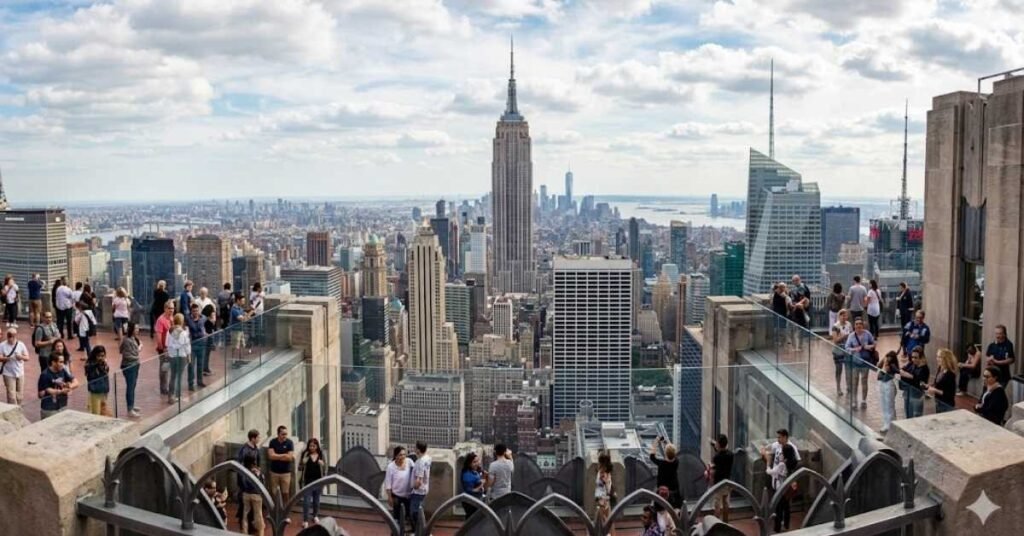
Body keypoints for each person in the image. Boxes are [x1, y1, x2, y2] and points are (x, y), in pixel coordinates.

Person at [764, 442, 799, 533]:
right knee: (786, 507)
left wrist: (768, 463)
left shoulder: (782, 465)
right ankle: (786, 525)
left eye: (782, 452)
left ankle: (777, 528)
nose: (781, 454)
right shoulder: (792, 463)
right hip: (787, 488)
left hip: (780, 489)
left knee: (778, 509)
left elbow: (770, 472)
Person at [844, 318, 876, 409]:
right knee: (855, 381)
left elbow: (874, 344)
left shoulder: (867, 334)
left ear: (863, 325)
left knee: (864, 380)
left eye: (860, 324)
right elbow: (846, 348)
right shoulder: (851, 336)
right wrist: (854, 349)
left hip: (865, 361)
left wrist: (868, 346)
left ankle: (864, 400)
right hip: (855, 362)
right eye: (856, 324)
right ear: (854, 326)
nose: (858, 326)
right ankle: (854, 401)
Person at [37, 352, 78, 418]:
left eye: (63, 362)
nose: (63, 364)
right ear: (53, 362)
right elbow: (44, 392)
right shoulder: (45, 374)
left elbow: (76, 382)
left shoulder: (63, 370)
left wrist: (69, 387)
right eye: (60, 362)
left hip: (62, 406)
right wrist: (61, 391)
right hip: (49, 409)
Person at [299, 437, 326, 529]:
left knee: (316, 500)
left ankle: (315, 515)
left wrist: (322, 464)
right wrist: (303, 462)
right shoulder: (305, 454)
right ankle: (305, 520)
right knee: (306, 501)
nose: (312, 448)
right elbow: (300, 467)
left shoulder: (321, 454)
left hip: (318, 481)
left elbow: (325, 468)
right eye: (310, 446)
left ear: (317, 446)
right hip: (307, 481)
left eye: (314, 446)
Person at [236, 429, 261, 527]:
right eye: (258, 437)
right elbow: (241, 466)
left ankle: (250, 523)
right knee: (245, 504)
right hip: (245, 481)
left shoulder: (256, 448)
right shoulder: (244, 450)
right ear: (253, 438)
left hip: (253, 478)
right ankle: (244, 523)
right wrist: (243, 483)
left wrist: (258, 470)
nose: (259, 439)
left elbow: (258, 462)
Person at [384, 445, 413, 532]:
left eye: (404, 454)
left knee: (408, 516)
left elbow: (416, 471)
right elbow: (388, 483)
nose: (403, 457)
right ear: (396, 456)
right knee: (397, 517)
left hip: (408, 495)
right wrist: (389, 497)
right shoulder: (391, 467)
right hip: (396, 496)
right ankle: (396, 532)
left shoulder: (409, 462)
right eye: (400, 455)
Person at [648, 436, 681, 509]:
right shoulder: (676, 462)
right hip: (673, 490)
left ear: (665, 453)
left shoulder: (661, 464)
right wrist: (665, 442)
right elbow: (671, 452)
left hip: (662, 491)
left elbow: (652, 456)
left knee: (658, 505)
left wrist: (656, 441)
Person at [267, 425, 295, 507]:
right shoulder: (272, 442)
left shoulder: (289, 443)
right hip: (274, 472)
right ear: (278, 434)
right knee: (274, 492)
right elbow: (271, 456)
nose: (285, 436)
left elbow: (289, 458)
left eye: (286, 434)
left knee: (285, 493)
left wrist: (277, 456)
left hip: (285, 473)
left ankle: (285, 510)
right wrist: (283, 455)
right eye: (283, 434)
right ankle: (275, 509)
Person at [166, 313, 191, 403]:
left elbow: (167, 343)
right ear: (182, 321)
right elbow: (186, 345)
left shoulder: (169, 332)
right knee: (179, 376)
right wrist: (189, 355)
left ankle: (170, 396)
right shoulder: (183, 332)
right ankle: (177, 395)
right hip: (181, 356)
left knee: (173, 376)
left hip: (172, 356)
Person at [709, 434, 734, 523]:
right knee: (725, 502)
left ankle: (717, 522)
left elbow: (714, 467)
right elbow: (723, 453)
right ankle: (726, 521)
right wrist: (715, 445)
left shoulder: (716, 457)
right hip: (727, 481)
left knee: (717, 503)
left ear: (719, 444)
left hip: (718, 482)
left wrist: (711, 466)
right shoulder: (731, 455)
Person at [1, 327, 29, 404]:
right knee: (11, 396)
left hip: (20, 372)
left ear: (15, 336)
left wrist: (21, 357)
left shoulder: (21, 345)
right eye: (9, 336)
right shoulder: (2, 345)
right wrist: (7, 358)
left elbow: (27, 357)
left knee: (20, 395)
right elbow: (0, 357)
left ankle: (18, 408)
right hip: (8, 373)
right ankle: (12, 409)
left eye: (12, 336)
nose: (10, 338)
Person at [899, 348, 930, 419]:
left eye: (916, 357)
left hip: (916, 396)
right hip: (907, 393)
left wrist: (909, 376)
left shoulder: (924, 368)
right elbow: (901, 371)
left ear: (921, 357)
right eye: (912, 357)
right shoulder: (912, 364)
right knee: (908, 415)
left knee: (916, 417)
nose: (913, 359)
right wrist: (911, 376)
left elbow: (919, 382)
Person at [119, 322, 142, 417]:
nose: (138, 330)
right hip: (129, 366)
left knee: (133, 386)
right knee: (130, 387)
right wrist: (138, 351)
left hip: (135, 365)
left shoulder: (134, 339)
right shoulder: (127, 340)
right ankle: (129, 409)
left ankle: (131, 405)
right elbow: (126, 354)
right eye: (136, 328)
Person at [240, 454, 265, 536]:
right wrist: (259, 473)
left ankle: (244, 532)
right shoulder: (256, 471)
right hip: (256, 495)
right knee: (258, 515)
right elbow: (261, 482)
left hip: (246, 494)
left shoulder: (242, 470)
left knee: (245, 514)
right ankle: (261, 533)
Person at [927, 349, 958, 413]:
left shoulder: (950, 374)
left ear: (945, 359)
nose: (937, 359)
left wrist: (935, 390)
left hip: (946, 405)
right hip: (938, 402)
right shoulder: (940, 368)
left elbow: (950, 394)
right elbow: (938, 383)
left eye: (939, 357)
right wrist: (930, 385)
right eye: (937, 356)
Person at [410, 440, 432, 532]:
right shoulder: (428, 458)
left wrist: (413, 487)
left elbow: (419, 480)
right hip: (424, 489)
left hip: (418, 492)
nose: (414, 449)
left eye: (415, 447)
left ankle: (419, 531)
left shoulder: (420, 462)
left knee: (414, 513)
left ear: (418, 450)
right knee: (419, 511)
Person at [185, 303, 208, 389]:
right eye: (194, 311)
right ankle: (191, 383)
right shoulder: (188, 319)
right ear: (191, 311)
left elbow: (206, 320)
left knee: (200, 364)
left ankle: (200, 381)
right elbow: (192, 327)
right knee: (191, 364)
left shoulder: (203, 318)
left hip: (201, 343)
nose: (196, 312)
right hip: (192, 344)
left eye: (197, 311)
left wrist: (205, 333)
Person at [877, 351, 901, 433]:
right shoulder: (885, 362)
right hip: (882, 384)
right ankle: (886, 423)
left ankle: (890, 424)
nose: (888, 358)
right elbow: (878, 366)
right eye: (887, 356)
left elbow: (896, 371)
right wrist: (883, 359)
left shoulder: (892, 365)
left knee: (889, 405)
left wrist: (887, 365)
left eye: (890, 357)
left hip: (889, 384)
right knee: (884, 404)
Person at [830, 309, 852, 397]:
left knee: (848, 369)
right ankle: (838, 388)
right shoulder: (835, 326)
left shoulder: (849, 324)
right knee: (839, 370)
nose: (844, 317)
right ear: (839, 316)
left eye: (845, 315)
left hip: (847, 349)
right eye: (842, 315)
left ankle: (849, 387)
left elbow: (851, 335)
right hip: (838, 350)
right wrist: (844, 336)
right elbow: (835, 340)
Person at [594, 451, 615, 536]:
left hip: (603, 501)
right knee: (601, 521)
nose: (599, 465)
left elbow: (608, 490)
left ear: (604, 466)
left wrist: (605, 482)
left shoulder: (605, 475)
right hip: (600, 499)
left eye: (600, 463)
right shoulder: (600, 472)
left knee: (605, 521)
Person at [154, 302, 173, 396]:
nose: (171, 310)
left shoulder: (171, 318)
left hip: (171, 349)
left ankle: (167, 387)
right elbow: (159, 336)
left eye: (172, 308)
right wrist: (162, 349)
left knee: (168, 368)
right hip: (164, 350)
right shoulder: (160, 320)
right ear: (165, 308)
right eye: (169, 308)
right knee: (164, 369)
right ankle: (163, 388)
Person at [84, 345, 110, 415]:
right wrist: (97, 364)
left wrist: (104, 365)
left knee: (103, 412)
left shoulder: (104, 364)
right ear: (95, 355)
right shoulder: (90, 365)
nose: (101, 358)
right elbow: (91, 377)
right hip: (95, 392)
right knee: (96, 413)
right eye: (99, 356)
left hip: (104, 391)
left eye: (103, 356)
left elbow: (106, 374)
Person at [460, 452, 486, 519]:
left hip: (476, 500)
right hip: (470, 502)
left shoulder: (475, 471)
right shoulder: (467, 475)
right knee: (472, 519)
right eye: (474, 462)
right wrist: (481, 484)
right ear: (469, 464)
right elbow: (471, 490)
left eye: (477, 461)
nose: (477, 463)